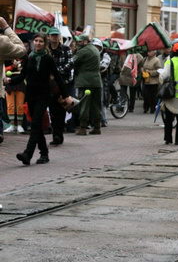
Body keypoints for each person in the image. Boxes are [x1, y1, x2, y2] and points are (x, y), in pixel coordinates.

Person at [7, 33, 72, 164]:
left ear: (44, 44)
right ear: (33, 42)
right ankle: (44, 154)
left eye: (41, 41)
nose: (38, 43)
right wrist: (9, 80)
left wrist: (66, 96)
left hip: (43, 95)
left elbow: (58, 77)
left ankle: (27, 154)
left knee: (35, 124)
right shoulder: (29, 57)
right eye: (36, 41)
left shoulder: (48, 58)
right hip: (30, 96)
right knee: (37, 126)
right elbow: (22, 76)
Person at [0, 17, 27, 142]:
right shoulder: (2, 41)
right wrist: (6, 28)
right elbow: (21, 49)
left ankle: (18, 124)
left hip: (16, 80)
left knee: (18, 104)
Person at [73, 34, 102, 135]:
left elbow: (73, 61)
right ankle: (97, 127)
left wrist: (74, 51)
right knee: (96, 105)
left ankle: (82, 128)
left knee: (84, 104)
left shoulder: (83, 51)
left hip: (85, 81)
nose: (78, 43)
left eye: (80, 42)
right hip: (97, 81)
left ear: (85, 41)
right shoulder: (95, 49)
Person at [141, 49, 161, 114]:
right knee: (145, 95)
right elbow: (142, 67)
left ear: (154, 52)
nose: (148, 52)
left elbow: (158, 70)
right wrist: (142, 71)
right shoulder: (145, 59)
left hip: (153, 81)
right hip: (146, 80)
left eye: (150, 51)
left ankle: (153, 109)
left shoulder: (156, 60)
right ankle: (145, 108)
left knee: (153, 96)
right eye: (148, 51)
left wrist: (150, 72)